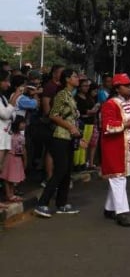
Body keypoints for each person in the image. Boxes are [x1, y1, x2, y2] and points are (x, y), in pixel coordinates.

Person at [34, 69, 82, 218]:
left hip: (69, 137)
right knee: (60, 170)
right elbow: (53, 115)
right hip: (59, 136)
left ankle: (62, 204)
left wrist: (77, 134)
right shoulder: (61, 95)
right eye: (74, 76)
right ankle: (42, 203)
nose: (78, 79)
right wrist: (71, 127)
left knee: (67, 171)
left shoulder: (70, 96)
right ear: (67, 79)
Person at [100, 73, 130, 227]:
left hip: (125, 146)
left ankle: (109, 208)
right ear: (117, 88)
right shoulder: (110, 104)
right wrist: (128, 125)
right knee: (119, 178)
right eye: (126, 85)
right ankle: (121, 212)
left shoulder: (128, 103)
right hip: (115, 146)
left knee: (119, 177)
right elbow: (107, 126)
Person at [74, 78, 99, 171]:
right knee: (80, 143)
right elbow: (80, 111)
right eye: (85, 86)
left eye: (88, 86)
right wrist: (88, 112)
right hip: (82, 123)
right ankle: (76, 164)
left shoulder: (89, 97)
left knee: (85, 144)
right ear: (79, 87)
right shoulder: (76, 98)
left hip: (90, 122)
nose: (87, 88)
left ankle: (82, 162)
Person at [1, 116, 27, 203]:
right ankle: (9, 195)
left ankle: (11, 194)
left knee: (12, 178)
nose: (24, 125)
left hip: (17, 158)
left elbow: (23, 149)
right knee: (8, 177)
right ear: (16, 124)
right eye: (22, 123)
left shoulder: (21, 136)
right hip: (10, 158)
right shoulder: (10, 134)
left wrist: (24, 159)